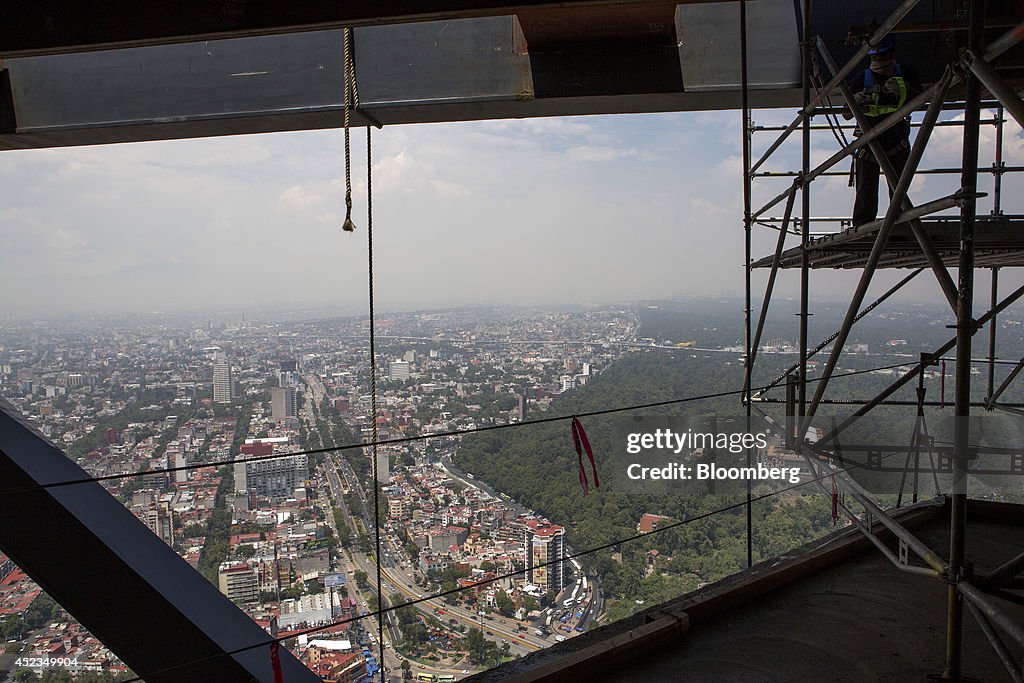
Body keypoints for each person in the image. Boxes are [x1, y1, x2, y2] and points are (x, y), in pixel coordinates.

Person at [845, 36, 922, 227]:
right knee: (866, 191)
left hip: (896, 139)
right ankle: (863, 227)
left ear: (890, 54)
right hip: (869, 143)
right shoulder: (861, 79)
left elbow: (922, 100)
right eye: (875, 58)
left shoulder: (905, 73)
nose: (878, 62)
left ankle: (900, 225)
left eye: (881, 57)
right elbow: (846, 114)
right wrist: (855, 102)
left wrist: (904, 90)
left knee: (898, 190)